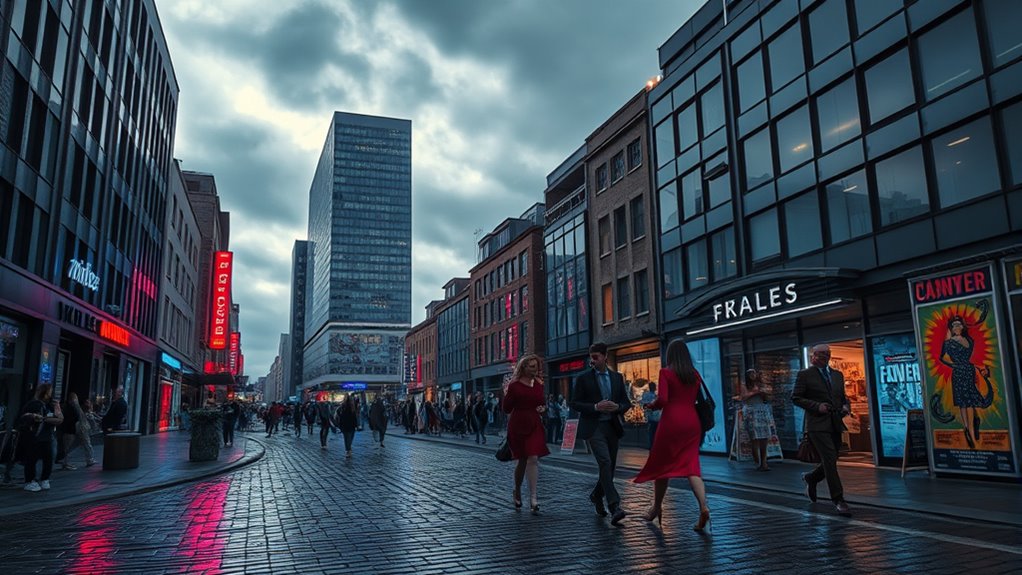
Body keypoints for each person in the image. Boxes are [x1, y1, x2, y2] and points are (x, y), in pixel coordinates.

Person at [633, 339, 712, 532]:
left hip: (671, 422)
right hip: (692, 422)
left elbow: (664, 400)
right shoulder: (694, 374)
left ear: (670, 355)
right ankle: (703, 506)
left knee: (662, 466)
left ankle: (656, 507)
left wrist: (652, 405)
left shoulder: (666, 372)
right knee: (692, 467)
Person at [569, 342, 630, 526]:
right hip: (594, 427)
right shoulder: (583, 378)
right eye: (591, 357)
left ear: (605, 356)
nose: (592, 360)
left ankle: (596, 495)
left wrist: (618, 407)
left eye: (596, 357)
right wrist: (595, 407)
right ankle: (615, 506)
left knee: (609, 469)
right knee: (604, 461)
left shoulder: (617, 378)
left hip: (612, 426)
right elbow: (575, 403)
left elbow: (626, 403)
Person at [793, 343, 852, 516]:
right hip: (817, 425)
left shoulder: (837, 375)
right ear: (813, 356)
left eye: (827, 354)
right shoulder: (805, 375)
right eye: (820, 354)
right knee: (828, 459)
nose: (824, 357)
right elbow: (796, 397)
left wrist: (846, 406)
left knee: (832, 459)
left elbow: (843, 397)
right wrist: (817, 406)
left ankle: (811, 478)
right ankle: (838, 499)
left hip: (835, 422)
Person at [503, 354, 550, 514]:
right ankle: (517, 490)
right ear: (523, 367)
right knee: (522, 461)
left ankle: (533, 498)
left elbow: (541, 403)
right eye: (531, 367)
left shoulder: (539, 384)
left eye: (536, 367)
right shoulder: (514, 385)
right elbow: (506, 408)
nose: (534, 370)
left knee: (533, 458)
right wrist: (508, 395)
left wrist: (543, 409)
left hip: (534, 424)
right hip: (518, 424)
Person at [940, 315, 992, 447]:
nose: (957, 327)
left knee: (970, 401)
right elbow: (942, 358)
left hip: (968, 371)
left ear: (963, 326)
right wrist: (953, 365)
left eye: (959, 324)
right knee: (963, 403)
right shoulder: (948, 343)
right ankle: (968, 430)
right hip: (958, 372)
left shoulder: (969, 340)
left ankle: (972, 426)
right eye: (954, 325)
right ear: (951, 328)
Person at [18, 384, 63, 492]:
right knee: (32, 459)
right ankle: (30, 481)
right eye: (50, 391)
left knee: (48, 458)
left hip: (46, 436)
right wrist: (43, 418)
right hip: (34, 436)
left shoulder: (51, 405)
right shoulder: (34, 404)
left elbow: (60, 419)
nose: (51, 394)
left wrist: (46, 417)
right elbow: (27, 417)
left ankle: (44, 479)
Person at [740, 369, 775, 471]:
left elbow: (768, 397)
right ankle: (758, 461)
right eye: (751, 373)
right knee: (754, 437)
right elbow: (744, 397)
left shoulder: (760, 384)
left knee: (764, 436)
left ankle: (763, 462)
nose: (753, 375)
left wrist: (764, 394)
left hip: (761, 410)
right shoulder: (744, 385)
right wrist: (754, 393)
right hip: (751, 411)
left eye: (754, 373)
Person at [59, 392, 95, 468]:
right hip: (71, 429)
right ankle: (66, 462)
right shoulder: (73, 408)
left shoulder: (71, 407)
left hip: (71, 429)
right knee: (68, 446)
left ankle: (66, 462)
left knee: (68, 446)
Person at [640, 382, 662, 450]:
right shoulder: (655, 396)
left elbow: (643, 405)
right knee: (654, 432)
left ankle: (651, 445)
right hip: (655, 417)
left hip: (650, 416)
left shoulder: (646, 395)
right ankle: (653, 445)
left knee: (651, 431)